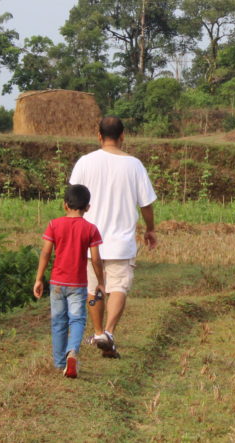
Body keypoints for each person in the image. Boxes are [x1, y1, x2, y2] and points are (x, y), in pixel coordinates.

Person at [70, 116, 157, 359]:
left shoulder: (85, 162)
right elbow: (146, 204)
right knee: (118, 287)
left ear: (99, 136)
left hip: (89, 241)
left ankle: (98, 332)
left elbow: (72, 199)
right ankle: (108, 332)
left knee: (93, 288)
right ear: (122, 136)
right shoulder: (135, 165)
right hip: (121, 243)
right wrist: (150, 229)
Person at [33, 184, 105, 378]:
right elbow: (96, 259)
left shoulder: (54, 225)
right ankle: (72, 352)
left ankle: (59, 363)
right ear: (87, 207)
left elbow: (46, 253)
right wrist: (101, 281)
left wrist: (39, 279)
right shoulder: (91, 229)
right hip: (78, 284)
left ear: (65, 205)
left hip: (57, 282)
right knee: (77, 319)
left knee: (58, 321)